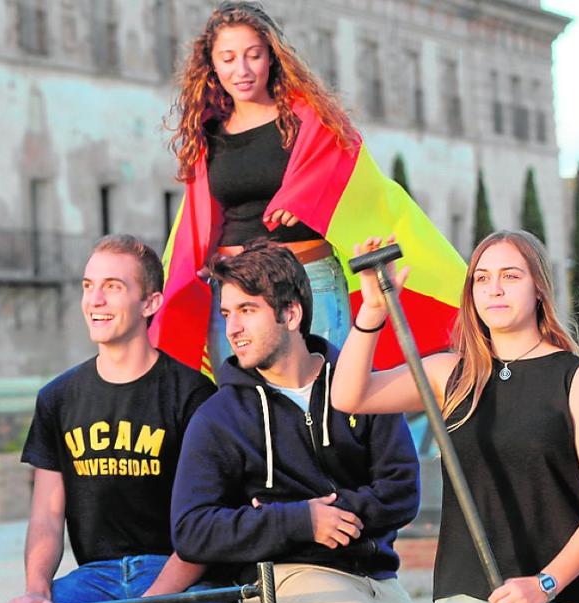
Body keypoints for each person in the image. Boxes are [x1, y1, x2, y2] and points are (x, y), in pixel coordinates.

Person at [331, 231, 579, 603]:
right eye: (482, 278)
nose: (494, 289)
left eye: (510, 276)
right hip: (467, 602)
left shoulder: (576, 379)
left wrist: (544, 584)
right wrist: (373, 309)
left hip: (559, 601)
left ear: (539, 288)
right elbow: (351, 393)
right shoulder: (452, 374)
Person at [170, 240, 454, 603]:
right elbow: (192, 529)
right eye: (228, 312)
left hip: (374, 578)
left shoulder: (360, 386)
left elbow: (401, 491)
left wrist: (330, 513)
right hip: (282, 583)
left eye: (248, 311)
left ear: (291, 313)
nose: (232, 327)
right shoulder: (219, 417)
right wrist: (299, 521)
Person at [0, 235, 237, 603]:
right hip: (96, 579)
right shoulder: (58, 398)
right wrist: (36, 590)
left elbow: (205, 532)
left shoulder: (194, 396)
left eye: (113, 287)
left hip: (185, 577)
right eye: (89, 286)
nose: (94, 300)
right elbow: (47, 517)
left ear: (150, 303)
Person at [153, 1, 464, 378]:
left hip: (309, 279)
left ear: (272, 56)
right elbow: (199, 217)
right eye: (229, 58)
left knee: (322, 403)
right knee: (242, 408)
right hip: (234, 291)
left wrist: (305, 198)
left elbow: (351, 176)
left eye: (254, 55)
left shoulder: (311, 120)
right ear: (212, 65)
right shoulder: (208, 134)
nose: (242, 69)